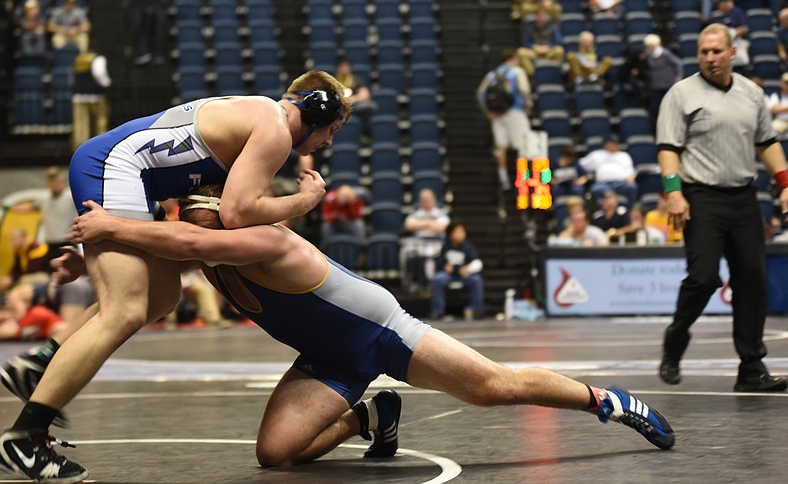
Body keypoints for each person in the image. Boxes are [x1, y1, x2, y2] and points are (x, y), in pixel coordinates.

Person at [58, 185, 672, 476]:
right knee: (276, 455)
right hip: (325, 356)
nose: (191, 220)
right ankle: (373, 416)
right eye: (184, 209)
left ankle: (610, 401)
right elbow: (154, 263)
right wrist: (83, 259)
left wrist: (108, 226)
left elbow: (184, 240)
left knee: (492, 386)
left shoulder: (264, 239)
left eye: (203, 209)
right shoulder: (201, 247)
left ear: (230, 208)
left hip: (381, 332)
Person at [0, 71, 351, 483]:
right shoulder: (273, 127)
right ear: (315, 110)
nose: (327, 141)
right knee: (126, 310)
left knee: (162, 296)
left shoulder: (257, 118)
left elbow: (209, 227)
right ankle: (26, 436)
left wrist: (93, 258)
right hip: (114, 167)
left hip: (126, 175)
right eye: (332, 129)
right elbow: (238, 213)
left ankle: (43, 363)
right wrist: (305, 200)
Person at [655, 23, 788, 392]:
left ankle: (751, 366)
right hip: (700, 197)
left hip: (743, 197)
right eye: (704, 51)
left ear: (732, 53)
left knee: (752, 279)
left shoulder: (751, 93)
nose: (709, 57)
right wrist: (674, 192)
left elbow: (767, 142)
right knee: (703, 278)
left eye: (717, 51)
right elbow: (668, 148)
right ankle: (676, 337)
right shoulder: (680, 94)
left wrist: (786, 184)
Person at [476, 49, 532, 191]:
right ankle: (523, 180)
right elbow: (524, 90)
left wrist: (487, 111)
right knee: (522, 146)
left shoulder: (492, 75)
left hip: (497, 114)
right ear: (514, 59)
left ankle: (504, 180)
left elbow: (480, 94)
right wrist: (528, 106)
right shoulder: (517, 72)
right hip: (515, 111)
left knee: (501, 148)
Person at [429, 222, 484, 320]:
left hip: (463, 275)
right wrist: (447, 267)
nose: (460, 234)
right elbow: (441, 263)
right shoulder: (445, 247)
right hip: (448, 275)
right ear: (450, 234)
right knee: (438, 279)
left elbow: (477, 263)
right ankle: (438, 311)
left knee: (476, 280)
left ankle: (476, 310)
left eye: (462, 232)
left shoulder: (468, 247)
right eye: (457, 232)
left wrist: (468, 269)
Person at [400, 188, 450, 295]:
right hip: (418, 243)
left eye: (428, 199)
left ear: (434, 200)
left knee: (434, 257)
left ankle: (432, 285)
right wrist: (429, 223)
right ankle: (414, 285)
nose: (426, 202)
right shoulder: (416, 213)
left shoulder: (440, 213)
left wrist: (421, 224)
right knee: (407, 254)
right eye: (424, 200)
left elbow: (442, 227)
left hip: (437, 243)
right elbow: (409, 225)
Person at [71, 42, 111, 151]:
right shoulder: (98, 59)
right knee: (100, 120)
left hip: (79, 95)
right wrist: (107, 84)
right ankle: (101, 147)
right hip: (95, 95)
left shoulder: (79, 59)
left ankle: (79, 148)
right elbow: (99, 74)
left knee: (80, 123)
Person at [579, 135, 638, 206]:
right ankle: (599, 215)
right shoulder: (597, 155)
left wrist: (631, 178)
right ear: (605, 144)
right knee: (595, 190)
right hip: (603, 184)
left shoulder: (624, 155)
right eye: (611, 143)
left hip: (620, 184)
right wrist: (584, 177)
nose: (613, 145)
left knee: (632, 187)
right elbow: (580, 165)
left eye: (615, 143)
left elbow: (630, 172)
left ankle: (629, 213)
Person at [643, 34, 682, 132]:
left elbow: (678, 63)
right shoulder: (647, 55)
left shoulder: (665, 54)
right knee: (655, 110)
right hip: (655, 86)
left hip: (667, 85)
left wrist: (678, 76)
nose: (649, 48)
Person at [132, 0, 165, 65]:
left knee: (156, 27)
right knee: (139, 25)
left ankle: (156, 53)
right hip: (142, 1)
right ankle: (144, 52)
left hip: (156, 1)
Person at [516, 7, 565, 75]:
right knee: (520, 52)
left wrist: (548, 47)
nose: (541, 17)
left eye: (543, 15)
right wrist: (534, 47)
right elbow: (525, 42)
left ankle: (555, 74)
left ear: (547, 16)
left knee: (559, 50)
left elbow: (558, 41)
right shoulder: (529, 27)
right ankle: (532, 75)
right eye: (539, 15)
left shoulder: (553, 26)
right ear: (535, 16)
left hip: (549, 51)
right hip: (534, 51)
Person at [319, 184, 366, 249]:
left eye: (347, 198)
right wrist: (335, 217)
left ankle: (361, 250)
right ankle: (325, 249)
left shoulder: (355, 199)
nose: (345, 200)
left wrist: (351, 205)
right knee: (326, 226)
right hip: (334, 223)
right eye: (344, 197)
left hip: (349, 223)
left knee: (359, 224)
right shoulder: (330, 197)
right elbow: (325, 216)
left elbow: (357, 216)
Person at [335, 60, 375, 136]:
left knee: (367, 106)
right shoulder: (334, 81)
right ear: (338, 69)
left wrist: (353, 99)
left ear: (349, 68)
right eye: (342, 67)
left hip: (353, 106)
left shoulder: (355, 80)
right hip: (338, 106)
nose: (344, 69)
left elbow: (365, 94)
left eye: (346, 67)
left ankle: (365, 134)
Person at [716, 0, 749, 71]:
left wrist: (732, 34)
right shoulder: (724, 15)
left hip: (741, 42)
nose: (720, 9)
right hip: (729, 44)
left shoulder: (736, 11)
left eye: (721, 6)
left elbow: (744, 28)